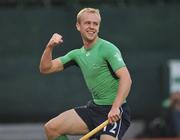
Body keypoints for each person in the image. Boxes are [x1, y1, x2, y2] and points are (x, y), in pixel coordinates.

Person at [39, 8, 132, 140]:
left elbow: (126, 79)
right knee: (51, 128)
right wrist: (50, 47)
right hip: (94, 109)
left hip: (116, 111)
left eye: (95, 24)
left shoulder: (107, 48)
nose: (91, 27)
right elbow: (45, 68)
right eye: (87, 23)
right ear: (78, 26)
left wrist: (115, 107)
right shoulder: (77, 54)